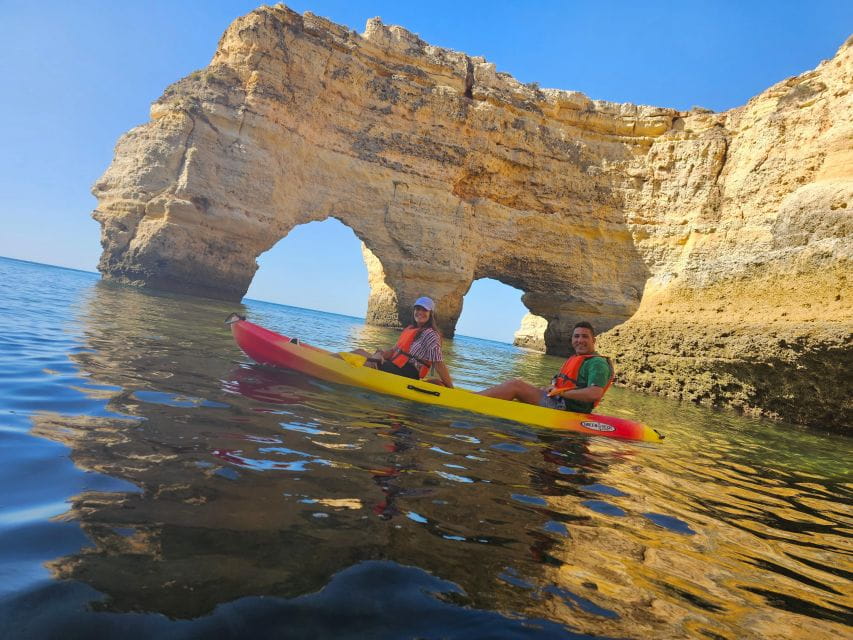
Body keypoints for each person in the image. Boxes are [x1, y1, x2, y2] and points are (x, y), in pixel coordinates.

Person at [477, 321, 613, 414]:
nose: (580, 340)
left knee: (515, 385)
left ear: (593, 340)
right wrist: (552, 389)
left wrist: (561, 393)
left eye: (585, 337)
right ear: (572, 339)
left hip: (566, 408)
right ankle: (478, 398)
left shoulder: (597, 363)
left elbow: (595, 393)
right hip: (560, 400)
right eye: (576, 336)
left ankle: (472, 400)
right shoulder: (577, 359)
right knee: (518, 386)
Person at [353, 297, 454, 388]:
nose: (420, 312)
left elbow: (439, 364)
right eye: (418, 309)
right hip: (396, 367)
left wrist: (451, 390)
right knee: (360, 351)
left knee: (359, 355)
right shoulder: (411, 329)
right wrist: (381, 355)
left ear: (431, 314)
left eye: (425, 310)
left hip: (407, 373)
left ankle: (347, 373)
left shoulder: (431, 335)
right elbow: (394, 350)